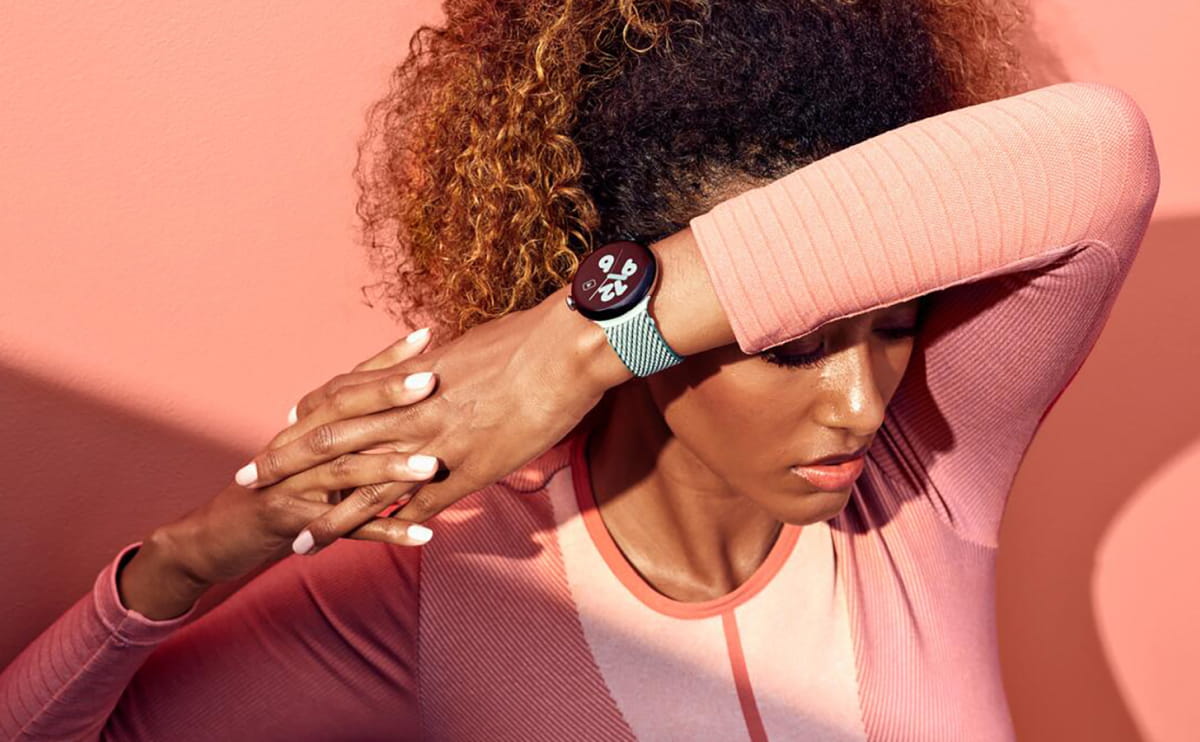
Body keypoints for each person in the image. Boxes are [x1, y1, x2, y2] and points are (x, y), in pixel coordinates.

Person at [1, 1, 1160, 740]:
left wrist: (585, 341)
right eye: (790, 344)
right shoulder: (459, 583)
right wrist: (196, 555)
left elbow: (1099, 151)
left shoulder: (928, 477)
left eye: (897, 328)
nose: (862, 404)